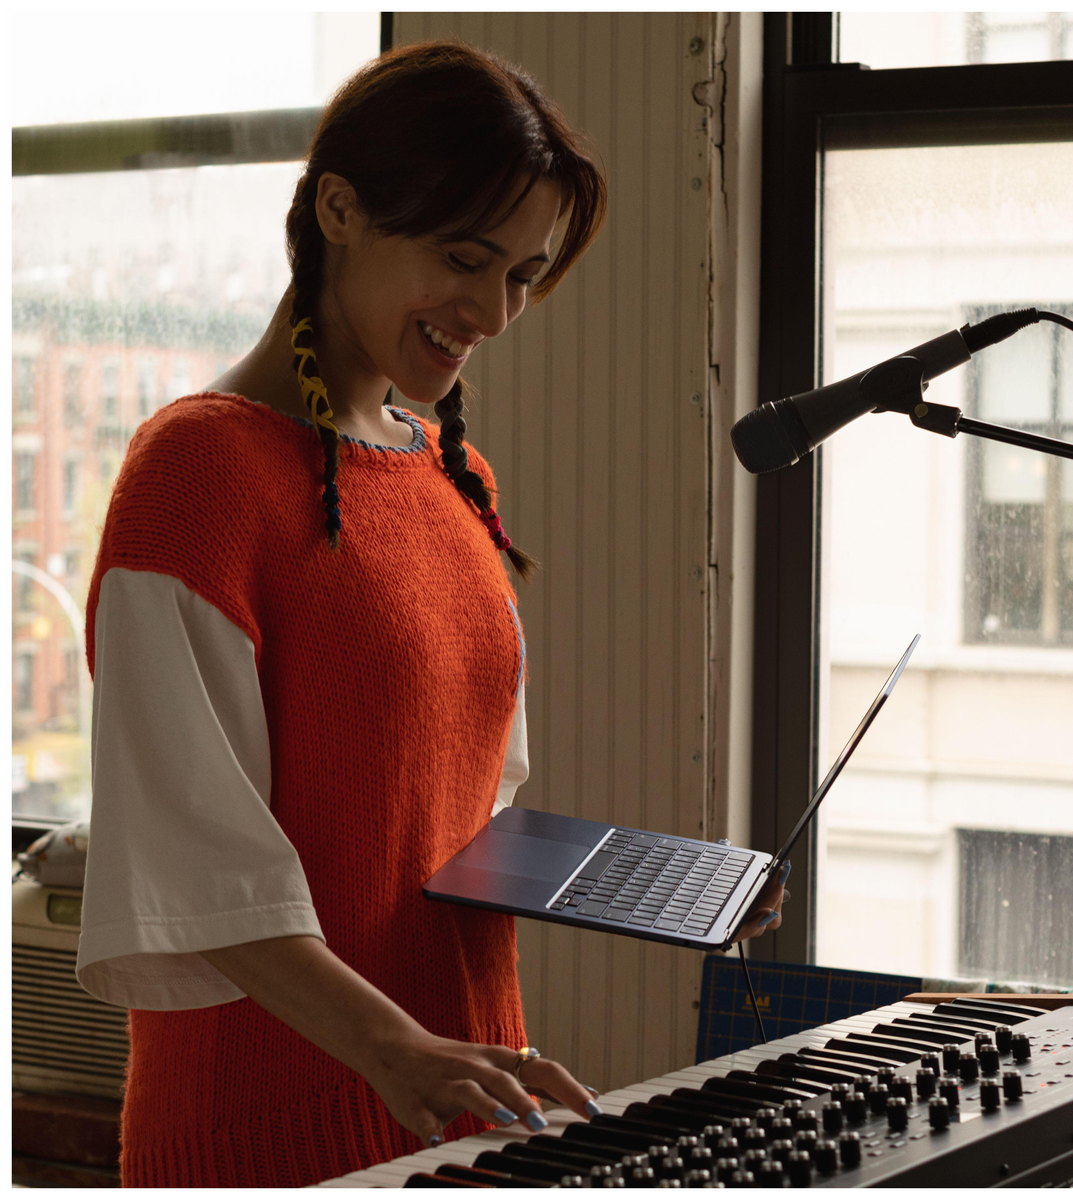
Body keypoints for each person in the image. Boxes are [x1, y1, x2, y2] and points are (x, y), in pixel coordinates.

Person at [75, 40, 785, 1189]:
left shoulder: (456, 479)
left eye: (523, 275)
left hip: (464, 1091)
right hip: (277, 1122)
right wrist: (396, 1052)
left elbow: (456, 811)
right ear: (339, 211)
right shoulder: (197, 475)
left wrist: (666, 884)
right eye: (465, 259)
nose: (493, 312)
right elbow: (188, 864)